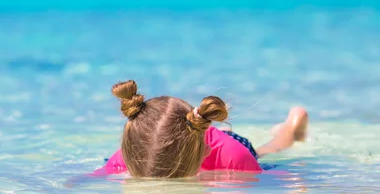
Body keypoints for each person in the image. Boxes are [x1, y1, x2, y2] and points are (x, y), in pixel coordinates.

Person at [94, 80, 308, 177]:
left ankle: (290, 129)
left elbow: (273, 178)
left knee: (267, 150)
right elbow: (91, 177)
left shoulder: (234, 158)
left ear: (205, 151)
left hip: (228, 144)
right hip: (193, 135)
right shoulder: (132, 154)